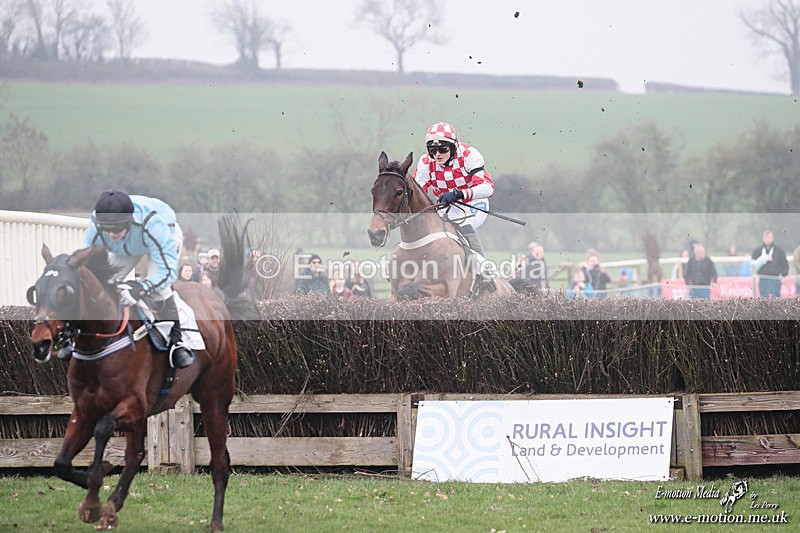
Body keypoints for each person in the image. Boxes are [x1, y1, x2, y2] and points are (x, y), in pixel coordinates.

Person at [77, 188, 194, 368]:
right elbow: (89, 267)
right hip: (130, 243)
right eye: (107, 229)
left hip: (162, 233)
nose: (112, 234)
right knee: (104, 283)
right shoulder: (96, 224)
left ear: (129, 221)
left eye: (117, 228)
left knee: (160, 290)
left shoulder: (153, 224)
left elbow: (167, 272)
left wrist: (140, 290)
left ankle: (177, 342)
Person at [413, 121, 497, 291]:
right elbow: (418, 191)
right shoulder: (425, 163)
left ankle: (484, 270)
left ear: (453, 146)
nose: (437, 154)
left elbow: (487, 188)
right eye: (432, 150)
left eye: (443, 149)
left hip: (474, 203)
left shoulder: (469, 155)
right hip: (447, 206)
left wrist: (459, 194)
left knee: (460, 224)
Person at [751, 230, 789, 298]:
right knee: (763, 299)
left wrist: (783, 275)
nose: (767, 240)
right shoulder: (758, 251)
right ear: (763, 238)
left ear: (772, 238)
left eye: (769, 238)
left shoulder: (779, 250)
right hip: (763, 279)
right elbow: (753, 264)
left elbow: (785, 264)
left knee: (776, 299)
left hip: (775, 279)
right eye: (766, 238)